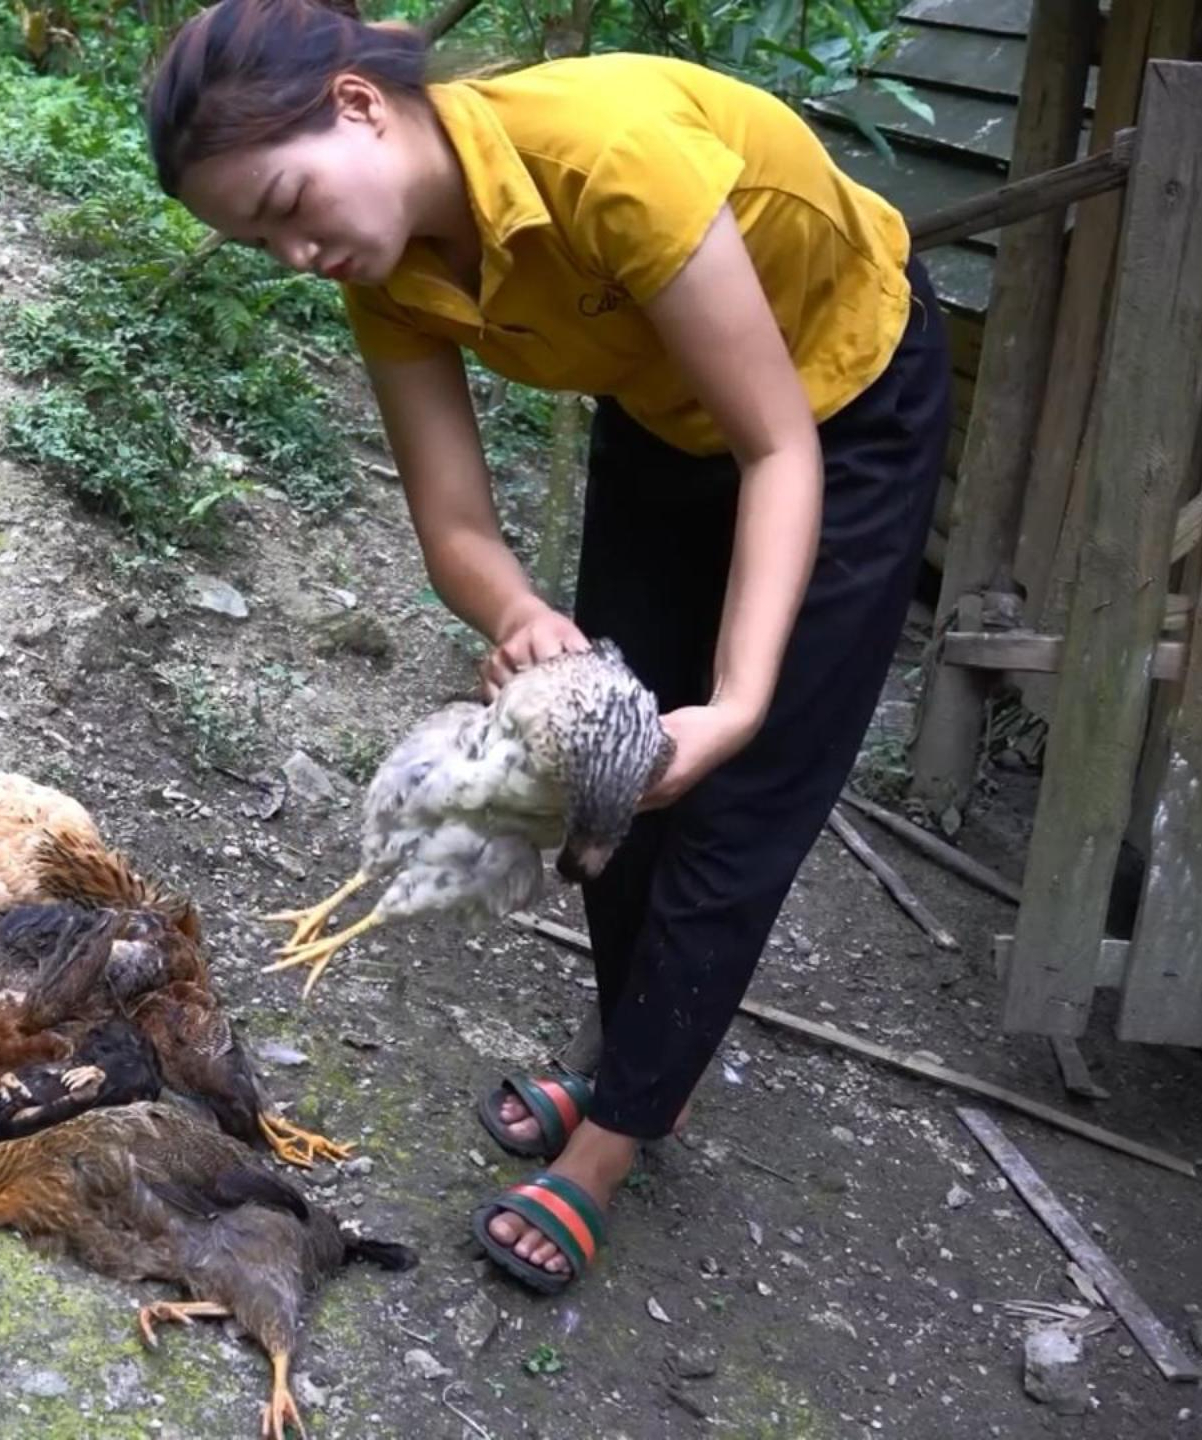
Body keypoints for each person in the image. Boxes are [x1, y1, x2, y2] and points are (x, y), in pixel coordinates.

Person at [144, 0, 950, 1294]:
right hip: (663, 409)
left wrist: (740, 701)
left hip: (836, 418)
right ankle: (646, 1065)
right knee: (610, 775)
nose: (295, 252)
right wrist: (520, 617)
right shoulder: (389, 262)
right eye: (260, 239)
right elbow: (454, 521)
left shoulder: (606, 157)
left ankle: (616, 1138)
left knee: (739, 796)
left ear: (359, 103)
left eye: (289, 203)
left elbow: (776, 445)